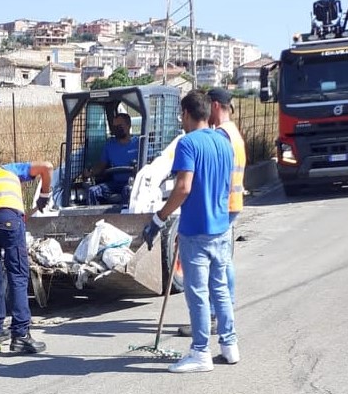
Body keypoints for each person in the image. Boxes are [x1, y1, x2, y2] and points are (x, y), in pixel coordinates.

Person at [142, 90, 236, 373]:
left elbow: (183, 187)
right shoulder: (224, 141)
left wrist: (159, 218)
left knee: (197, 292)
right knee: (219, 288)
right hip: (221, 227)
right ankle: (230, 345)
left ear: (186, 113)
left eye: (180, 116)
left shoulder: (188, 144)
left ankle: (200, 352)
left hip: (196, 229)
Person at [177, 87, 246, 338]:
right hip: (228, 204)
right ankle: (227, 334)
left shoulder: (220, 136)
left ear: (214, 105)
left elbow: (193, 182)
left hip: (218, 208)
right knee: (221, 267)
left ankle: (208, 330)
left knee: (210, 278)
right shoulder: (232, 134)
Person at [0, 159, 53, 354]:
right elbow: (47, 167)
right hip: (9, 220)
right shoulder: (8, 170)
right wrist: (44, 194)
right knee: (18, 274)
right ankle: (21, 335)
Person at [82, 112, 140, 205]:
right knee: (93, 191)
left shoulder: (139, 143)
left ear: (128, 125)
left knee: (127, 191)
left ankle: (125, 218)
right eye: (115, 127)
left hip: (133, 183)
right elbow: (101, 165)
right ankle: (93, 218)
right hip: (115, 183)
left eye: (120, 126)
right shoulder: (109, 145)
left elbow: (149, 164)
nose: (117, 129)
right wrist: (91, 172)